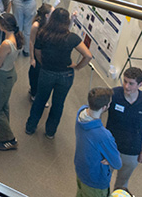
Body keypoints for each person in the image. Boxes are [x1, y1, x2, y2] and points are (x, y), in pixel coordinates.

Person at [25, 8, 92, 138]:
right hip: (65, 75)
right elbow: (88, 55)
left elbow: (37, 52)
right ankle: (50, 132)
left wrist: (43, 64)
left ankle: (30, 127)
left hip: (47, 72)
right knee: (58, 103)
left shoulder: (43, 33)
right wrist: (77, 67)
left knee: (39, 100)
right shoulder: (71, 38)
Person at [105, 67, 142, 192]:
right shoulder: (114, 94)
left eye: (131, 83)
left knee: (122, 184)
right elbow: (98, 110)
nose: (126, 86)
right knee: (103, 179)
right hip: (110, 147)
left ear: (140, 85)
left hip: (131, 152)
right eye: (125, 81)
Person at [73, 87, 121, 197]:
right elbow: (117, 163)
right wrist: (109, 159)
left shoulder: (81, 113)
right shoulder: (103, 135)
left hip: (81, 170)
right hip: (95, 181)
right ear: (105, 107)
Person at [0, 13, 23, 151]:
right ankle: (0, 132)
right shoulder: (16, 38)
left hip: (2, 77)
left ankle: (9, 138)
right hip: (9, 74)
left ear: (3, 26)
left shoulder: (6, 44)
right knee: (3, 106)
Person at [27, 2, 53, 100]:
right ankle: (34, 93)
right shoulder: (36, 25)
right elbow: (31, 42)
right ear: (47, 15)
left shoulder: (50, 23)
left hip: (45, 53)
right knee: (35, 74)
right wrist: (32, 58)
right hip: (37, 53)